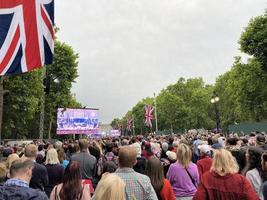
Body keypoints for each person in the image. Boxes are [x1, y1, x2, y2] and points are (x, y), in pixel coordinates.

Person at [193, 149, 259, 200]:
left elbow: (198, 198)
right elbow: (253, 198)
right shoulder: (241, 180)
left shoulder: (206, 177)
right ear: (231, 160)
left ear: (214, 161)